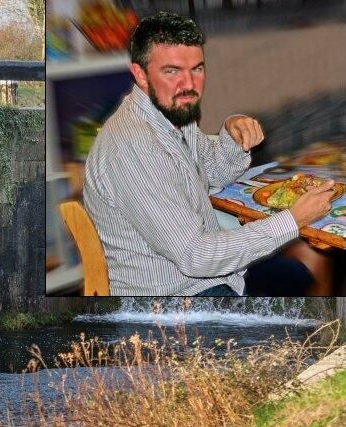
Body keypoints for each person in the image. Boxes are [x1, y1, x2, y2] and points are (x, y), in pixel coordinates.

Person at [83, 12, 335, 296]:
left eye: (197, 69)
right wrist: (293, 219)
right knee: (303, 246)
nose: (189, 85)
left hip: (212, 274)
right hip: (176, 298)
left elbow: (211, 173)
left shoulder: (173, 111)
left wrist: (232, 135)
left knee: (314, 256)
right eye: (172, 71)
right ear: (140, 74)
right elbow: (196, 256)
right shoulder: (132, 147)